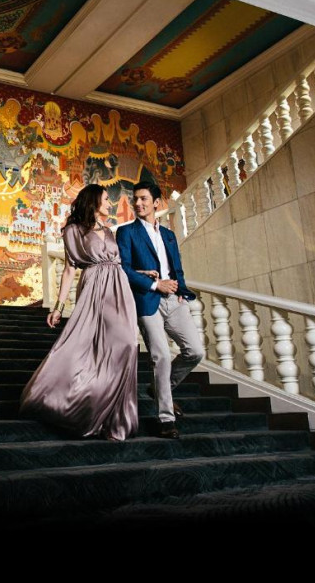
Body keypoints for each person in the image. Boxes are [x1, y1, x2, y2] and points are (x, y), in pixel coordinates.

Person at [19, 184, 144, 441]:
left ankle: (113, 417)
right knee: (87, 347)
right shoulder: (74, 230)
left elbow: (118, 263)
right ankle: (69, 401)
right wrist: (58, 307)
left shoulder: (109, 230)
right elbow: (69, 269)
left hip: (120, 290)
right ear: (94, 201)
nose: (109, 204)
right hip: (95, 288)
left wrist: (142, 274)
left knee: (128, 344)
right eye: (106, 199)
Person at [116, 181, 205, 440]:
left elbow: (177, 267)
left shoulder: (168, 234)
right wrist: (155, 284)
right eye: (135, 199)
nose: (138, 203)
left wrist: (181, 291)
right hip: (147, 300)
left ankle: (158, 388)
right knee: (162, 356)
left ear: (156, 203)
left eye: (143, 198)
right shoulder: (126, 232)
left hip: (174, 300)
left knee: (195, 352)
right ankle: (166, 418)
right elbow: (123, 268)